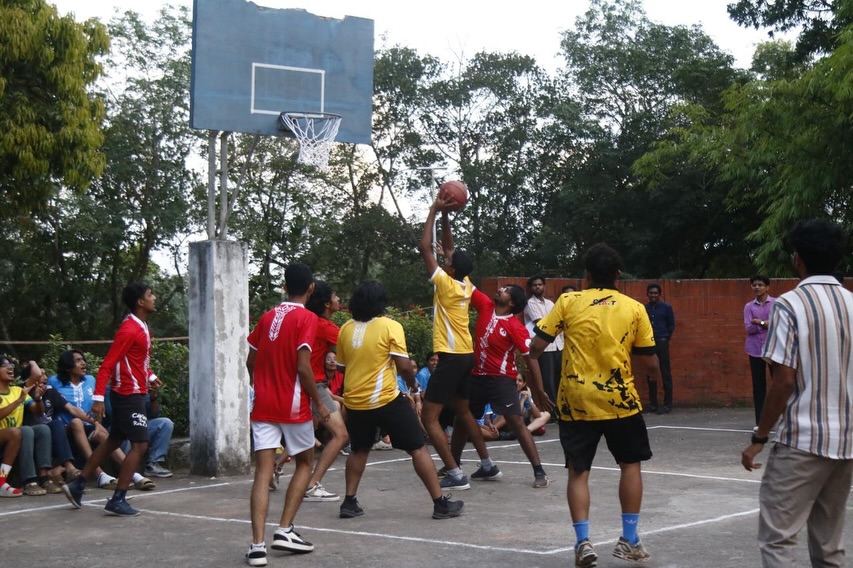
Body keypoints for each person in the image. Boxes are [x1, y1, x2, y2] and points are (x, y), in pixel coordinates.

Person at [529, 243, 660, 567]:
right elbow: (649, 361)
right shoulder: (634, 308)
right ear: (618, 274)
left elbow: (536, 346)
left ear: (586, 275)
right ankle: (629, 539)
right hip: (621, 401)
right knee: (630, 465)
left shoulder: (568, 302)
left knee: (578, 472)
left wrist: (538, 384)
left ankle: (583, 542)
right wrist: (653, 377)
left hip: (576, 401)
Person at [741, 219, 853, 567]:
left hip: (803, 439)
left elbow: (784, 380)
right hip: (846, 442)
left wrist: (760, 436)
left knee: (778, 539)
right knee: (829, 545)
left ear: (798, 259)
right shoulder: (852, 304)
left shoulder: (790, 304)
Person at [336, 280, 463, 520]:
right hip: (385, 399)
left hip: (354, 402)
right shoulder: (390, 326)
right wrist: (413, 383)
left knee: (359, 449)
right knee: (417, 448)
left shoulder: (345, 329)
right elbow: (404, 365)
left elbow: (342, 367)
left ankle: (349, 502)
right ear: (380, 303)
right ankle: (440, 504)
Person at [244, 263, 330, 567]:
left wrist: (259, 386)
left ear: (284, 285)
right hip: (292, 404)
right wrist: (319, 404)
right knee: (305, 462)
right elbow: (303, 367)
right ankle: (284, 529)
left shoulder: (267, 316)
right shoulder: (307, 318)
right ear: (310, 289)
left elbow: (250, 361)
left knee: (263, 472)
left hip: (263, 404)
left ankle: (257, 546)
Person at [63, 282, 162, 516]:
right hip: (128, 395)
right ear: (140, 302)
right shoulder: (129, 329)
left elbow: (136, 361)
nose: (154, 298)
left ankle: (78, 485)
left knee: (113, 441)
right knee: (140, 445)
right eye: (150, 295)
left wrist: (150, 376)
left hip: (133, 391)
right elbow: (108, 364)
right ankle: (118, 498)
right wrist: (98, 398)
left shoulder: (142, 326)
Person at [417, 193, 491, 491]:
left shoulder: (446, 284)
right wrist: (447, 215)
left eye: (447, 260)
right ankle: (487, 464)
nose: (445, 257)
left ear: (450, 269)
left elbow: (425, 247)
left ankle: (455, 473)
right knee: (462, 411)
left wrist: (434, 210)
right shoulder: (465, 283)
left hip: (450, 356)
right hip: (466, 355)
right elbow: (449, 248)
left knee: (428, 417)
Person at [464, 283, 552, 488]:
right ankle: (455, 467)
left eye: (506, 290)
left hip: (501, 379)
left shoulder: (515, 327)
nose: (500, 289)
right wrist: (450, 264)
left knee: (517, 422)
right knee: (463, 418)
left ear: (511, 303)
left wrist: (539, 390)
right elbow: (466, 283)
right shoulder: (486, 306)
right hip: (477, 376)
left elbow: (531, 358)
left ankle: (539, 471)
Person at [50, 350, 152, 491]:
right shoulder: (54, 381)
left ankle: (133, 474)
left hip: (89, 426)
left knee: (104, 435)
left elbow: (96, 407)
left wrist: (97, 424)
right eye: (78, 360)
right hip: (66, 430)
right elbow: (72, 410)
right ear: (67, 366)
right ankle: (100, 475)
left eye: (83, 359)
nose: (83, 363)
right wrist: (96, 423)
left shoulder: (90, 380)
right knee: (76, 422)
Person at [302, 281, 348, 503]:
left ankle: (276, 468)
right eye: (335, 296)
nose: (338, 299)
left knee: (302, 438)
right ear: (327, 304)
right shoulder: (324, 326)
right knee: (341, 435)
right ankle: (312, 485)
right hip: (315, 386)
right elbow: (352, 344)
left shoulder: (307, 321)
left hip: (304, 385)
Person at [0, 358, 52, 496]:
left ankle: (44, 478)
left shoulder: (18, 390)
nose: (10, 368)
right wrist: (19, 401)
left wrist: (38, 399)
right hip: (6, 436)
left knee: (42, 429)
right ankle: (27, 481)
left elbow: (37, 411)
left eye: (11, 365)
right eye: (5, 366)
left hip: (16, 437)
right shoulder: (19, 396)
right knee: (22, 431)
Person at [524, 275, 563, 406]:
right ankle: (551, 411)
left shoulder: (550, 303)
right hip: (544, 348)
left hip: (558, 345)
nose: (537, 287)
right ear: (531, 288)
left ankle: (560, 408)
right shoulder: (530, 303)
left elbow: (558, 321)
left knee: (559, 379)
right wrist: (555, 322)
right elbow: (541, 323)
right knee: (548, 381)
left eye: (540, 284)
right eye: (535, 285)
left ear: (544, 286)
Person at [743, 275, 775, 426]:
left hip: (774, 349)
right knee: (758, 387)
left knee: (779, 384)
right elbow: (749, 328)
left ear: (767, 287)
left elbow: (778, 324)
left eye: (760, 285)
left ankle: (783, 420)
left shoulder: (776, 304)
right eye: (754, 285)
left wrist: (760, 322)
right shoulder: (749, 307)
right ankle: (760, 422)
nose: (757, 287)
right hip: (755, 350)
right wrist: (766, 324)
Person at [645, 283, 676, 414]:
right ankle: (653, 404)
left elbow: (671, 325)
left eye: (655, 293)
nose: (653, 295)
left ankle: (667, 404)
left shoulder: (666, 308)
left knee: (665, 372)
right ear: (647, 294)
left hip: (662, 342)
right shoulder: (644, 308)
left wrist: (665, 337)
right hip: (648, 343)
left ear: (659, 294)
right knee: (651, 372)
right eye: (651, 293)